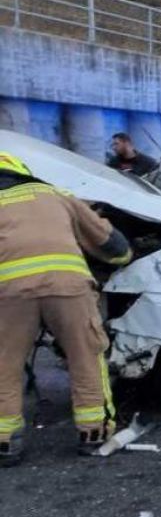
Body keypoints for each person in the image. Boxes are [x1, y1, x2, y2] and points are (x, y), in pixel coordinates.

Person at [0, 151, 132, 466]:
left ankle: (6, 443)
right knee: (86, 356)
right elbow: (111, 245)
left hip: (10, 294)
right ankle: (93, 434)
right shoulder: (54, 194)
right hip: (69, 289)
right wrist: (124, 258)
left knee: (5, 364)